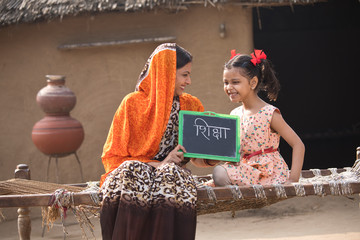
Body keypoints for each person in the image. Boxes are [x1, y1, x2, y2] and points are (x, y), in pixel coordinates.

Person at [99, 43, 204, 240]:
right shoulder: (132, 104)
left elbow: (197, 157)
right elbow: (112, 157)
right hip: (134, 172)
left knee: (172, 173)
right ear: (166, 73)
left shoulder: (192, 105)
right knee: (132, 170)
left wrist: (216, 157)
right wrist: (159, 164)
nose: (189, 81)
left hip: (171, 175)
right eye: (184, 74)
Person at [209, 49, 305, 187]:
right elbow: (233, 151)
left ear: (253, 83)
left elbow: (298, 145)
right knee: (218, 172)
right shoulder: (235, 114)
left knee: (219, 172)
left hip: (268, 173)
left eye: (235, 82)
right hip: (245, 170)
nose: (229, 87)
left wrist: (293, 179)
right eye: (226, 82)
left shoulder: (268, 113)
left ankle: (237, 192)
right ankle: (235, 194)